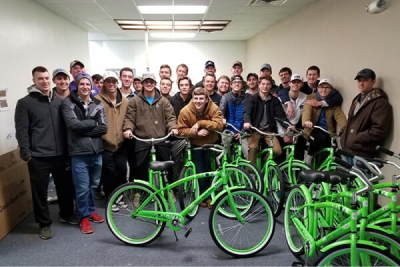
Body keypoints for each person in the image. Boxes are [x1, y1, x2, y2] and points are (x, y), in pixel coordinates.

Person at [15, 66, 76, 240]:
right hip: (38, 156)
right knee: (40, 192)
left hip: (60, 155)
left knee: (65, 188)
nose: (44, 81)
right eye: (40, 78)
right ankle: (44, 224)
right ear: (33, 80)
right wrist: (26, 154)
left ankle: (66, 214)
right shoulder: (25, 103)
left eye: (46, 78)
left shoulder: (59, 101)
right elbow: (22, 130)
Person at [62, 72, 107, 234]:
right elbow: (73, 125)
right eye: (82, 84)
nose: (85, 87)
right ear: (77, 85)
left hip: (97, 152)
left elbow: (103, 127)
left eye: (88, 84)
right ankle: (83, 217)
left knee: (94, 185)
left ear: (91, 86)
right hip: (79, 153)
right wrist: (91, 123)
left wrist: (84, 128)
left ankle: (90, 209)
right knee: (82, 187)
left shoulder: (98, 103)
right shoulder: (68, 103)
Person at [122, 72, 177, 182]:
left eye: (151, 82)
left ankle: (168, 190)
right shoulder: (135, 101)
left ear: (155, 83)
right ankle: (139, 191)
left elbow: (171, 117)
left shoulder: (164, 101)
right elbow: (129, 118)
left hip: (160, 138)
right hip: (142, 139)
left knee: (167, 165)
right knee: (139, 166)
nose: (149, 84)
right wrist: (128, 129)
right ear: (142, 83)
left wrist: (173, 128)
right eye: (146, 82)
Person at [177, 87, 224, 208]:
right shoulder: (185, 111)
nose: (198, 101)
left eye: (201, 98)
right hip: (195, 144)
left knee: (210, 170)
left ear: (207, 99)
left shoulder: (214, 108)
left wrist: (201, 123)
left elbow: (219, 126)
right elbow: (181, 131)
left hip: (210, 144)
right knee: (200, 170)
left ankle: (209, 195)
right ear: (192, 98)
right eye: (196, 98)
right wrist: (195, 133)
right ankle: (204, 196)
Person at [340, 69, 392, 159]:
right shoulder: (357, 100)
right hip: (348, 151)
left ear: (373, 82)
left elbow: (379, 130)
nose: (361, 83)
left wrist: (357, 137)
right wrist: (344, 133)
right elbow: (352, 122)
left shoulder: (380, 103)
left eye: (365, 80)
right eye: (359, 80)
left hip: (363, 154)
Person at [96, 71, 129, 211]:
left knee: (122, 171)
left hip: (120, 144)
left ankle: (120, 197)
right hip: (105, 144)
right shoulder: (96, 100)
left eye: (114, 81)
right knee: (109, 173)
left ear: (117, 83)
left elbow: (129, 119)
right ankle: (110, 200)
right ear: (104, 82)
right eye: (108, 81)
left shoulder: (125, 101)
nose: (111, 84)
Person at [243, 76, 291, 165]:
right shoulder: (252, 98)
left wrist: (288, 125)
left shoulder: (275, 101)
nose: (265, 86)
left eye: (268, 84)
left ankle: (263, 163)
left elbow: (281, 115)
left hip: (268, 131)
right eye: (263, 84)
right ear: (259, 85)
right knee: (253, 148)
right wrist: (247, 121)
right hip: (254, 129)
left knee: (277, 151)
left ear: (270, 86)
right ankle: (252, 173)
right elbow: (247, 112)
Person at [303, 78, 347, 156]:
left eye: (327, 87)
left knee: (335, 152)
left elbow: (339, 115)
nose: (324, 89)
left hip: (328, 131)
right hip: (313, 129)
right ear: (317, 88)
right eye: (321, 87)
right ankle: (313, 160)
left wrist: (344, 127)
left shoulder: (332, 101)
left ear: (331, 89)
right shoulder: (311, 98)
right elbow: (307, 111)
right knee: (321, 143)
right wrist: (307, 121)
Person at [278, 74, 308, 160]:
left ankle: (297, 172)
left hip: (297, 129)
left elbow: (304, 116)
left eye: (298, 82)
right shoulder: (281, 98)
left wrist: (298, 133)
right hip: (283, 129)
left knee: (298, 154)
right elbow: (277, 118)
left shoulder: (305, 97)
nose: (296, 84)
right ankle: (282, 172)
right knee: (280, 155)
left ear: (302, 84)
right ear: (290, 84)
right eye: (293, 82)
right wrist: (283, 134)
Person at [220, 75, 250, 158]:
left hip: (243, 130)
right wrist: (223, 118)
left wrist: (243, 131)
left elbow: (249, 114)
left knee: (247, 151)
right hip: (229, 128)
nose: (237, 84)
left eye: (239, 82)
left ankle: (248, 169)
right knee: (225, 143)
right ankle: (229, 165)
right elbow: (221, 110)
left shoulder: (248, 98)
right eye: (234, 82)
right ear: (231, 85)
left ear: (242, 85)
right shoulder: (225, 97)